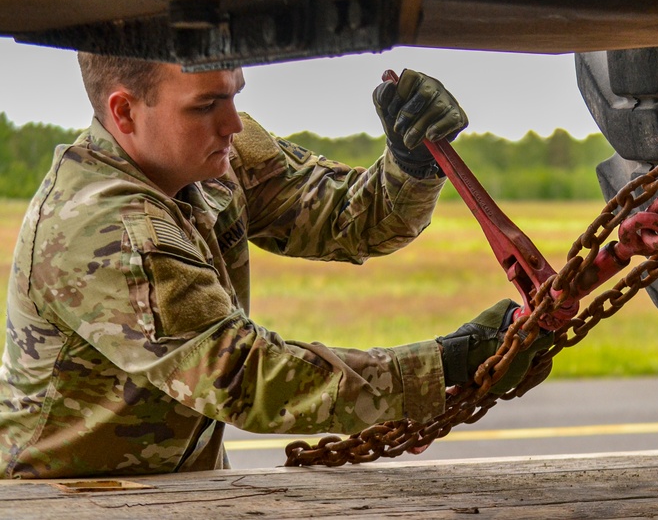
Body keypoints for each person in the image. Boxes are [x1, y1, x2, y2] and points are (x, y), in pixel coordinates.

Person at [0, 54, 549, 479]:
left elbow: (349, 219)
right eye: (205, 105)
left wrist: (410, 162)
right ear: (123, 111)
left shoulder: (211, 154)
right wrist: (445, 364)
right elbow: (245, 377)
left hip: (176, 492)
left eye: (234, 95)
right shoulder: (104, 228)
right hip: (68, 500)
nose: (233, 123)